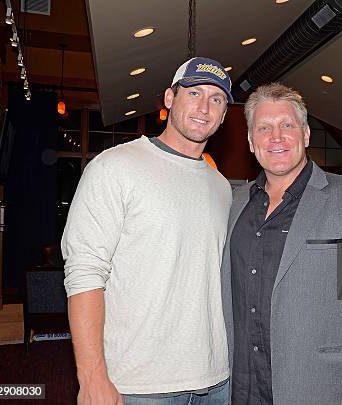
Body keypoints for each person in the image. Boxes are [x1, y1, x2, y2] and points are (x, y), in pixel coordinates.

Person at [62, 57, 234, 405]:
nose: (204, 107)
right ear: (170, 98)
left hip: (216, 380)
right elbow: (84, 273)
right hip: (139, 384)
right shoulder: (115, 167)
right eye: (194, 92)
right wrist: (92, 376)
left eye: (216, 99)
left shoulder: (221, 187)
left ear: (224, 113)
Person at [220, 83, 342, 404]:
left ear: (306, 135)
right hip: (240, 388)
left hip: (317, 388)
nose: (276, 136)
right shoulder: (234, 204)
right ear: (250, 141)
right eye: (264, 128)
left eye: (287, 125)